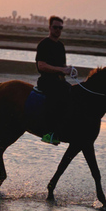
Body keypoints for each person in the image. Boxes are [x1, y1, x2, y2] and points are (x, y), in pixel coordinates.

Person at [35, 16, 73, 145]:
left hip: (59, 80)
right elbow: (41, 65)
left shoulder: (60, 46)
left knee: (73, 93)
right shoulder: (44, 44)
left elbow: (61, 66)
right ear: (50, 28)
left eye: (60, 28)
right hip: (46, 80)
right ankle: (49, 132)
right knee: (58, 96)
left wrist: (69, 70)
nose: (58, 30)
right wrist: (61, 70)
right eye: (55, 27)